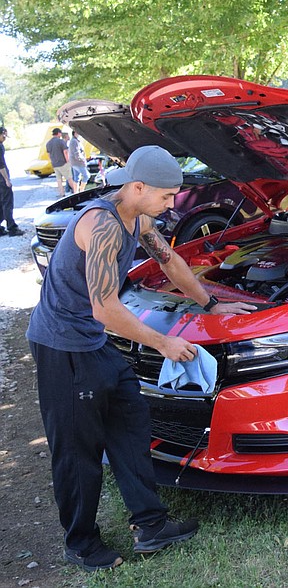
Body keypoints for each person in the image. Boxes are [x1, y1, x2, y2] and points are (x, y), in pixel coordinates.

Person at [26, 145, 258, 572]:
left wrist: (209, 304)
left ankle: (150, 524)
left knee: (131, 421)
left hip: (92, 342)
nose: (172, 205)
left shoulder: (139, 217)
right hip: (62, 345)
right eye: (167, 196)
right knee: (76, 449)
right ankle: (80, 543)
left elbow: (169, 261)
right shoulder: (102, 225)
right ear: (137, 187)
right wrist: (163, 343)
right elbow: (106, 309)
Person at [0, 126, 23, 236]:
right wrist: (6, 180)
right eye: (4, 136)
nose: (5, 138)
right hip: (1, 180)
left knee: (1, 203)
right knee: (7, 203)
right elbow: (1, 165)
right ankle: (12, 228)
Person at [45, 128, 71, 196]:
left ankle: (62, 193)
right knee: (69, 178)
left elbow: (49, 155)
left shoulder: (48, 143)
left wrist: (52, 161)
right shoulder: (61, 141)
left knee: (59, 180)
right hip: (63, 163)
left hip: (55, 164)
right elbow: (65, 152)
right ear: (59, 133)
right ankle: (76, 191)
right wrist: (68, 161)